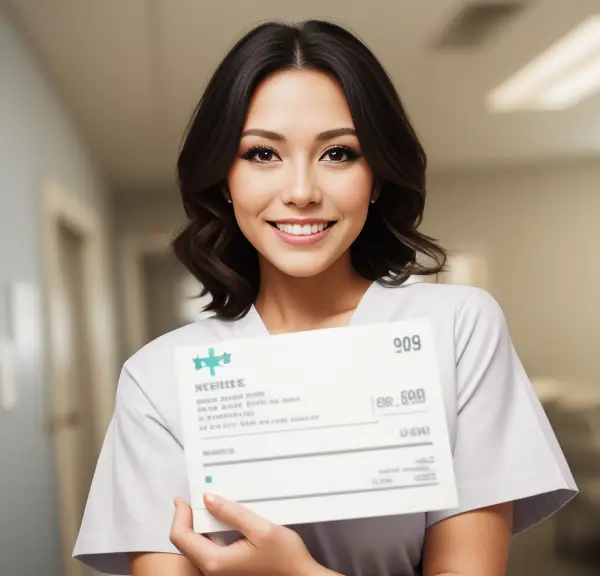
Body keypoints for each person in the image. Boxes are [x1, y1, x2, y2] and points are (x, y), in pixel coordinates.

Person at [73, 19, 577, 576]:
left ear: (377, 176)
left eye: (338, 153)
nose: (301, 192)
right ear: (224, 178)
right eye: (262, 154)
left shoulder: (457, 329)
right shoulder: (159, 378)